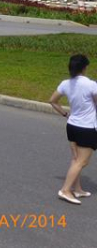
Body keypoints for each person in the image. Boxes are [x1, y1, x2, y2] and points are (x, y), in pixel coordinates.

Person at [49, 55, 97, 205]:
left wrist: (65, 114)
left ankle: (77, 189)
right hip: (86, 128)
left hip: (72, 126)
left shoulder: (65, 83)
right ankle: (65, 190)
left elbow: (52, 101)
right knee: (81, 161)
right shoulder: (91, 85)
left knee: (76, 159)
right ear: (84, 68)